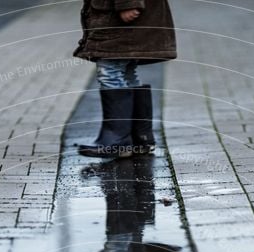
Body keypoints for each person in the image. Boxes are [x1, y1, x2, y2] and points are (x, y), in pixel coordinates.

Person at [74, 0, 177, 158]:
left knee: (110, 71)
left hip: (118, 18)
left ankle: (117, 141)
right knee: (126, 71)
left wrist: (128, 3)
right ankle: (139, 138)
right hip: (122, 17)